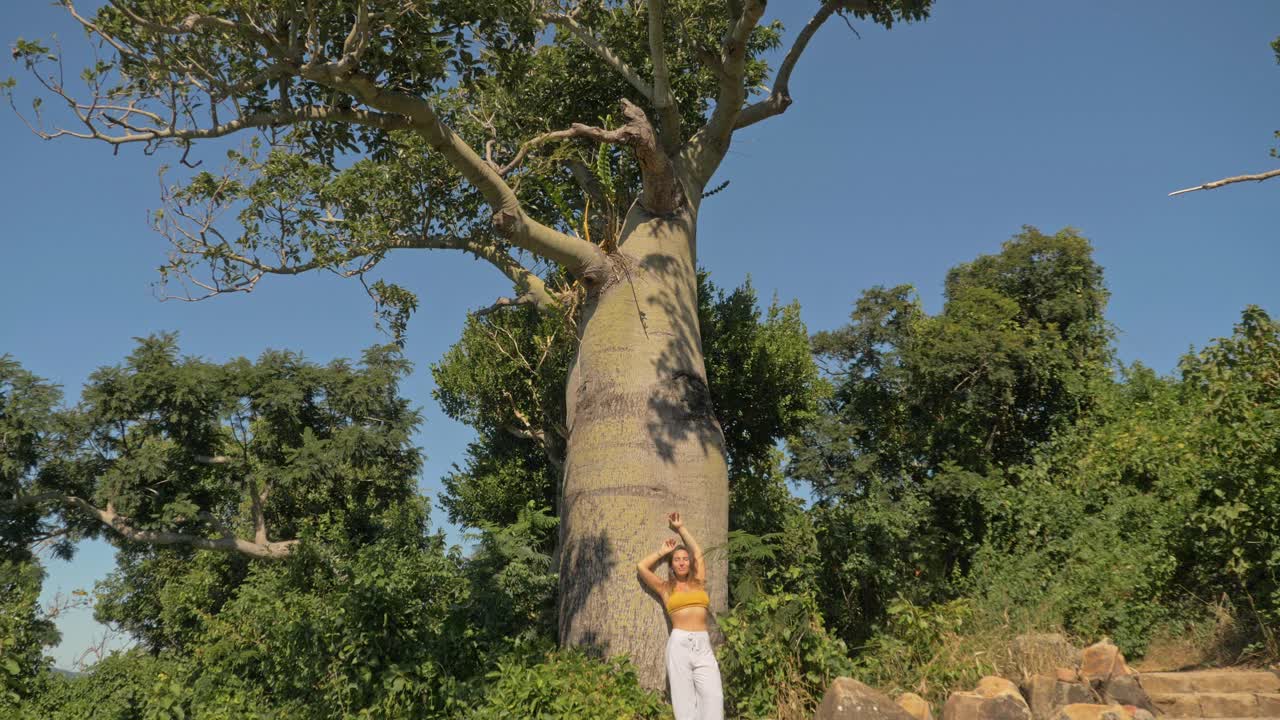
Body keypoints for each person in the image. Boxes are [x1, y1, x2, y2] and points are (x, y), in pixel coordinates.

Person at [636, 511, 724, 720]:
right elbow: (641, 567)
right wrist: (662, 551)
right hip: (679, 645)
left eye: (685, 559)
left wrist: (681, 528)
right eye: (677, 560)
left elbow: (698, 553)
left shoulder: (699, 582)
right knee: (684, 704)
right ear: (672, 565)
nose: (682, 562)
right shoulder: (665, 588)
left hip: (703, 645)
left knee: (714, 696)